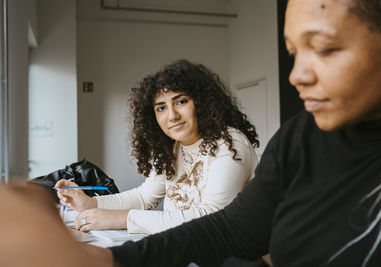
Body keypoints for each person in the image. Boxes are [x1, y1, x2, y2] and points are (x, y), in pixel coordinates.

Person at [1, 0, 381, 266]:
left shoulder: (230, 145)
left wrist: (117, 223)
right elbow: (227, 227)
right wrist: (93, 213)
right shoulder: (299, 139)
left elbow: (214, 217)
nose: (297, 75)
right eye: (294, 52)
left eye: (326, 49)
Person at [55, 59, 259, 235]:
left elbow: (211, 216)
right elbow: (144, 197)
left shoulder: (230, 142)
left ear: (202, 103)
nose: (172, 116)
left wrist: (122, 219)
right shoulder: (172, 148)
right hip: (182, 248)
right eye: (161, 108)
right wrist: (90, 203)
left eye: (180, 102)